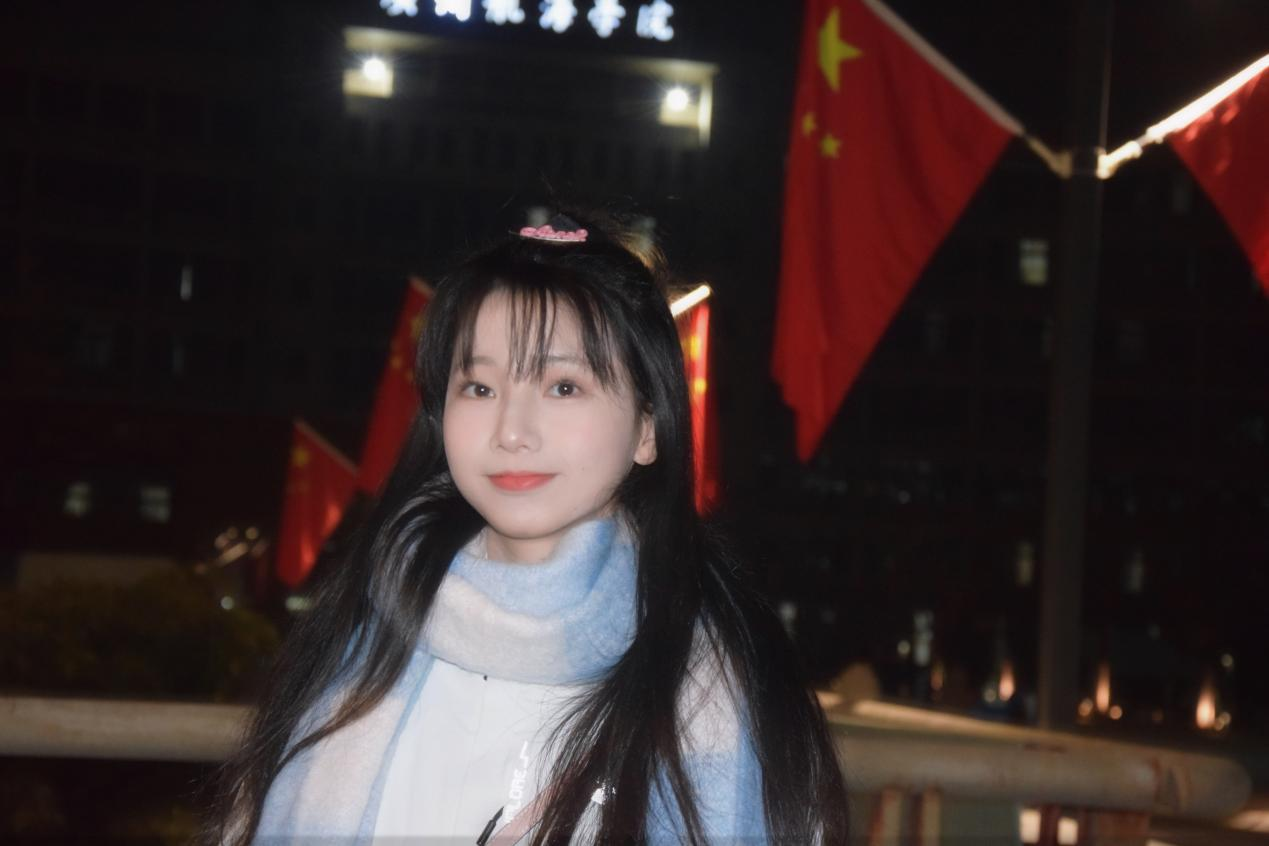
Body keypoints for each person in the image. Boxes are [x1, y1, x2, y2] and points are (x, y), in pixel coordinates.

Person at [201, 211, 850, 845]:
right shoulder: (361, 627)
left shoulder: (716, 683)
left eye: (563, 386)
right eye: (479, 388)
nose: (511, 431)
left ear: (647, 428)